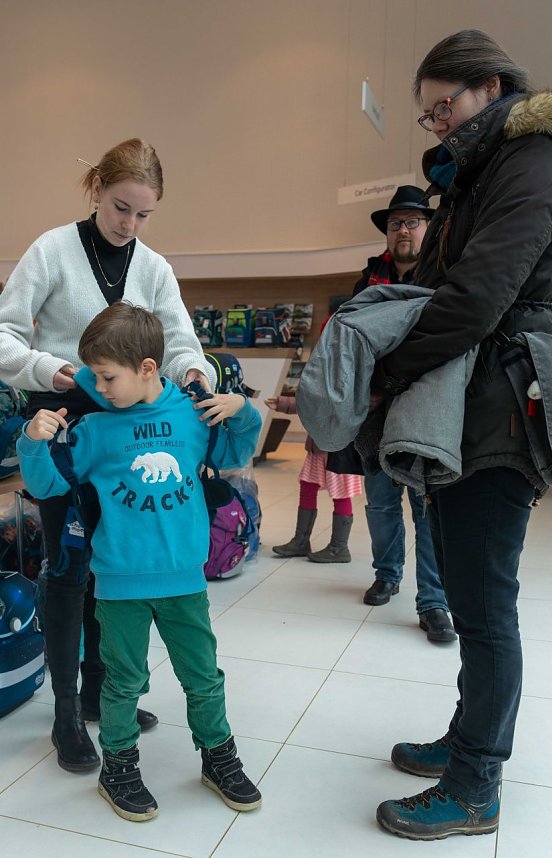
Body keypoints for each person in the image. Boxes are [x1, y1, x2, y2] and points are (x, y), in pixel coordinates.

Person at [372, 30, 552, 840]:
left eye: (441, 107)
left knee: (484, 604)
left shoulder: (535, 161)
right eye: (425, 118)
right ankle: (465, 740)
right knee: (457, 582)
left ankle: (476, 782)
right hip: (468, 394)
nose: (435, 125)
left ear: (489, 87)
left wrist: (388, 371)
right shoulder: (482, 170)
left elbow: (478, 295)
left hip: (499, 396)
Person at [0, 139, 216, 773]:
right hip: (64, 419)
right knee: (68, 565)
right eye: (121, 207)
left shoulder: (152, 266)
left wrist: (197, 376)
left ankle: (100, 688)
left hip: (130, 432)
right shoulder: (51, 250)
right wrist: (53, 367)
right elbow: (4, 334)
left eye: (143, 214)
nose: (129, 224)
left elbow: (178, 341)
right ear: (97, 189)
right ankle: (66, 712)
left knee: (113, 563)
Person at [17, 303, 263, 822]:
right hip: (119, 582)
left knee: (203, 677)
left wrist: (242, 409)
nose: (99, 388)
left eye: (108, 377)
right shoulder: (94, 430)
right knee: (122, 680)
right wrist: (32, 442)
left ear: (148, 369)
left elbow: (237, 449)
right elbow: (48, 486)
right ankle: (120, 767)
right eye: (97, 377)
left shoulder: (192, 415)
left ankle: (218, 756)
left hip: (184, 582)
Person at [354, 186, 456, 644]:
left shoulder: (444, 277)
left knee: (426, 507)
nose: (404, 229)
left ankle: (433, 601)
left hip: (423, 410)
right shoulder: (367, 280)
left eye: (413, 221)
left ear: (428, 227)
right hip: (374, 412)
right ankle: (387, 574)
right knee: (379, 502)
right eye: (396, 222)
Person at [266, 394, 362, 563]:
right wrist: (285, 403)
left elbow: (323, 400)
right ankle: (301, 542)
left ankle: (339, 548)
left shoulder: (347, 370)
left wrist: (286, 403)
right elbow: (316, 399)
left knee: (341, 494)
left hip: (340, 446)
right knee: (308, 485)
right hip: (320, 442)